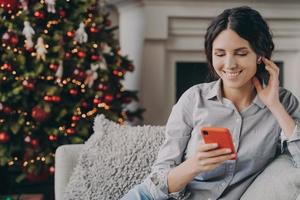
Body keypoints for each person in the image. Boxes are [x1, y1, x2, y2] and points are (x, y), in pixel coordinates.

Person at [121, 6, 300, 200]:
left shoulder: (284, 103)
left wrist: (274, 106)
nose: (229, 64)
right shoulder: (193, 99)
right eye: (220, 54)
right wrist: (195, 164)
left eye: (241, 53)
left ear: (259, 56)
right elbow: (159, 179)